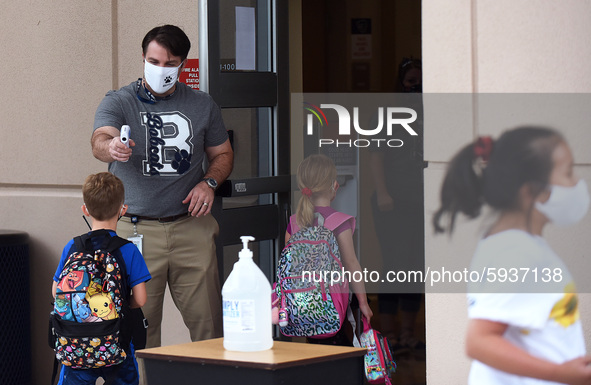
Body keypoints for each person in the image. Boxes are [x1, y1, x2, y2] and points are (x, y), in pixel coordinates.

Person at [91, 24, 233, 347]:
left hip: (190, 226)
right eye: (154, 62)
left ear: (182, 64)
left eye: (170, 64)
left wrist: (209, 182)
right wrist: (111, 147)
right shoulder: (120, 100)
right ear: (143, 58)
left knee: (209, 327)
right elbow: (99, 140)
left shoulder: (202, 104)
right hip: (134, 231)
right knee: (136, 333)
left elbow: (223, 154)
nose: (161, 70)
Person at [433, 127, 591, 384]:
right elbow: (480, 342)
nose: (576, 183)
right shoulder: (516, 254)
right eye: (568, 173)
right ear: (531, 190)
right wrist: (561, 374)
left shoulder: (518, 247)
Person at [52, 172, 151, 385]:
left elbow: (55, 292)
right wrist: (120, 305)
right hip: (117, 341)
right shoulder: (128, 250)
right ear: (122, 210)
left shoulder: (72, 247)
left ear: (85, 210)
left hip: (75, 343)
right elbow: (141, 299)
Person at [285, 154, 373, 346]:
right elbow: (351, 264)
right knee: (338, 350)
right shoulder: (339, 222)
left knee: (314, 349)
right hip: (333, 304)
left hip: (302, 305)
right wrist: (364, 303)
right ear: (335, 185)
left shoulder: (294, 222)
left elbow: (289, 267)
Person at [369, 56, 425, 356]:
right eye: (410, 82)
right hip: (391, 201)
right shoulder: (390, 113)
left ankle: (408, 335)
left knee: (415, 266)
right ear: (401, 83)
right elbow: (376, 155)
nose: (415, 87)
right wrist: (382, 192)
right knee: (394, 264)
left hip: (421, 202)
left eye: (420, 82)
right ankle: (388, 334)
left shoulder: (430, 112)